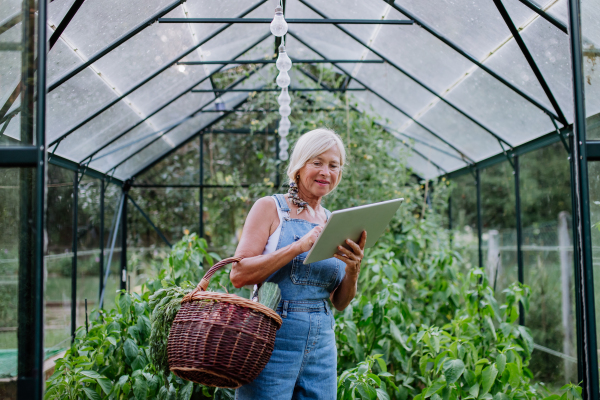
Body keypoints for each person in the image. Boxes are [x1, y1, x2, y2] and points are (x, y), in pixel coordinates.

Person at [230, 128, 366, 400]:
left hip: (322, 341)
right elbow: (239, 274)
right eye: (317, 162)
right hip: (272, 335)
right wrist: (298, 247)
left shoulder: (333, 221)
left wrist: (353, 269)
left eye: (333, 165)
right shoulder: (270, 208)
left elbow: (339, 302)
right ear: (299, 166)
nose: (325, 172)